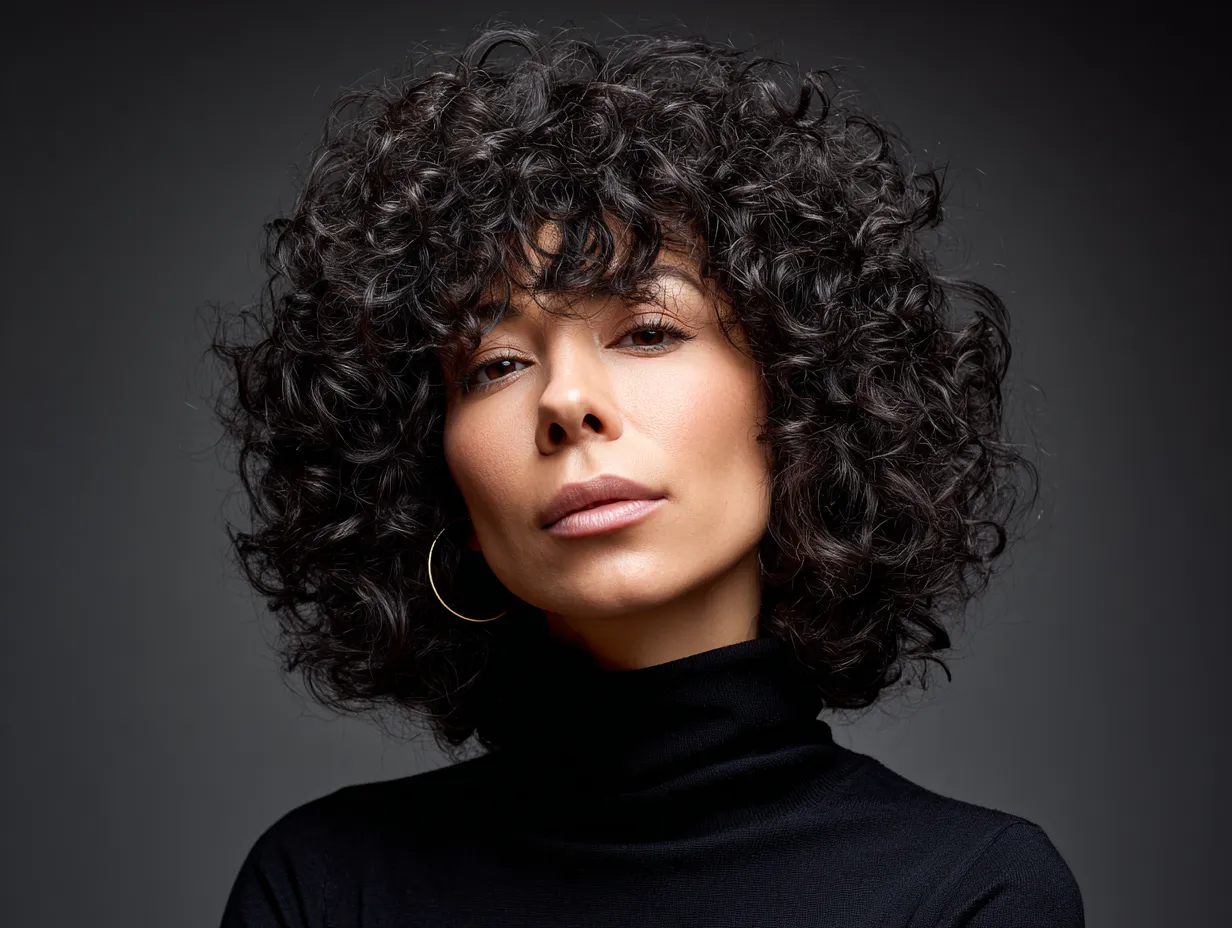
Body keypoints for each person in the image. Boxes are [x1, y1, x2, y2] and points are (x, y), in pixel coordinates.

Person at [210, 20, 1084, 927]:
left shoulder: (971, 893)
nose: (567, 401)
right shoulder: (320, 888)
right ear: (438, 479)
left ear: (802, 404)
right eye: (497, 364)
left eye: (650, 331)